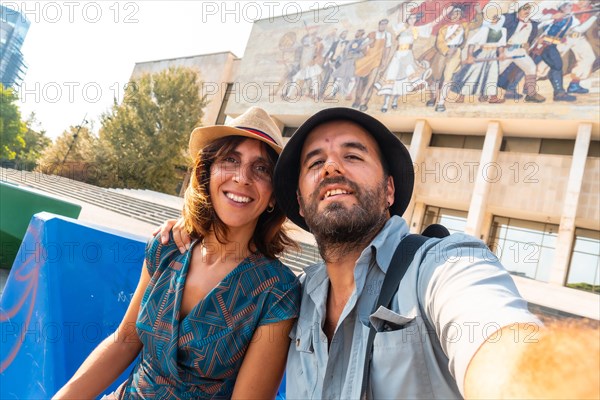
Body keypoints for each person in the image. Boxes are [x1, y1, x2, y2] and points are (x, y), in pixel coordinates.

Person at [162, 108, 599, 399]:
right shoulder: (297, 298)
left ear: (389, 189)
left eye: (352, 156)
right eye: (315, 163)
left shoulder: (443, 264)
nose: (332, 167)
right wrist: (194, 228)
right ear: (298, 197)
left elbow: (509, 351)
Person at [53, 107, 301, 399]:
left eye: (261, 169)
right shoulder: (166, 246)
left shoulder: (277, 291)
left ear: (273, 196)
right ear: (207, 174)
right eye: (230, 160)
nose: (242, 177)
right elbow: (124, 341)